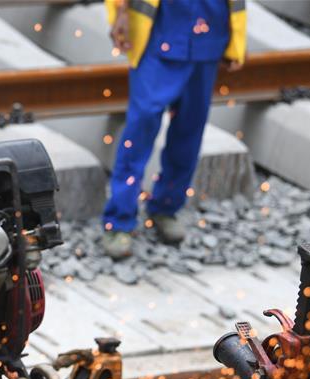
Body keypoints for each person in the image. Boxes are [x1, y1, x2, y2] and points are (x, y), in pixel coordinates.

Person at [101, 0, 246, 259]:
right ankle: (119, 220)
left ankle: (166, 207)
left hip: (208, 36)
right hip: (160, 33)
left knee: (189, 131)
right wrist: (120, 11)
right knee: (141, 126)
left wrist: (236, 38)